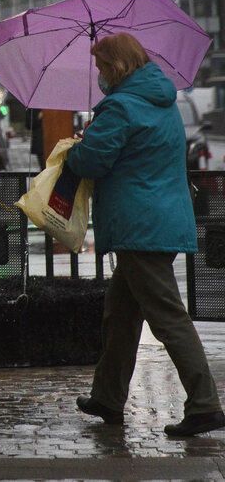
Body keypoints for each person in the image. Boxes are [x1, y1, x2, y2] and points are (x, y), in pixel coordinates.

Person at [66, 33, 224, 437]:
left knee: (168, 317)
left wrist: (77, 148)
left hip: (139, 226)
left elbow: (92, 161)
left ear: (115, 66)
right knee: (120, 315)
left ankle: (205, 404)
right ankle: (107, 397)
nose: (99, 74)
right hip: (161, 220)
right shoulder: (164, 102)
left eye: (101, 66)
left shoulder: (120, 107)